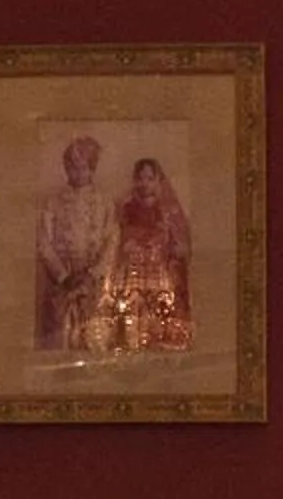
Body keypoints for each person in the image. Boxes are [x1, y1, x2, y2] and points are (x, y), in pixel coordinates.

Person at [33, 135, 115, 352]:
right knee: (61, 341)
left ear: (92, 169)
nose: (77, 173)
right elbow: (44, 242)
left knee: (94, 340)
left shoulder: (104, 202)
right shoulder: (54, 202)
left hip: (93, 287)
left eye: (83, 168)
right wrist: (64, 276)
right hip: (62, 285)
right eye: (72, 167)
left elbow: (111, 242)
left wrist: (92, 274)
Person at [106, 156, 193, 353]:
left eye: (149, 178)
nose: (144, 184)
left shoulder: (168, 211)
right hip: (132, 275)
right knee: (132, 319)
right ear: (135, 181)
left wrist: (163, 248)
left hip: (160, 275)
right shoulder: (125, 209)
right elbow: (117, 241)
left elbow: (180, 246)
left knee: (159, 317)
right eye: (140, 178)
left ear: (157, 181)